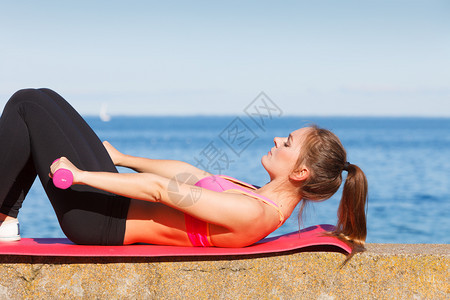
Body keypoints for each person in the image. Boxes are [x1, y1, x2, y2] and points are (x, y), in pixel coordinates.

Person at [0, 88, 368, 252]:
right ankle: (5, 217)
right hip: (110, 202)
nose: (276, 139)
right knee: (40, 96)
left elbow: (161, 191)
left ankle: (4, 216)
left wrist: (81, 176)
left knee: (27, 105)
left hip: (100, 220)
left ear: (301, 172)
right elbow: (186, 173)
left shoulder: (252, 212)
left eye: (287, 142)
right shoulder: (255, 195)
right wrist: (123, 157)